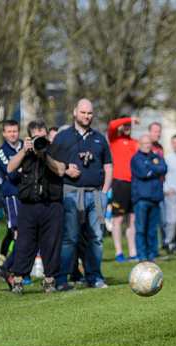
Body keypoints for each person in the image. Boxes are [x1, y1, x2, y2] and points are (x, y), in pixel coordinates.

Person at [53, 99, 113, 290]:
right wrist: (64, 170)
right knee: (70, 237)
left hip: (96, 194)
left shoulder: (99, 138)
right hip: (70, 193)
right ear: (75, 112)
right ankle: (62, 279)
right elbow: (50, 162)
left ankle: (95, 277)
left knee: (96, 237)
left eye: (89, 113)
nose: (87, 116)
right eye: (83, 112)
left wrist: (104, 193)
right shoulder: (62, 137)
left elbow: (108, 166)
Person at [7, 119, 68, 294]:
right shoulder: (25, 152)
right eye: (35, 138)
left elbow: (61, 170)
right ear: (29, 137)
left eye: (42, 137)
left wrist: (44, 154)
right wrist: (24, 150)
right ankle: (18, 280)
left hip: (52, 205)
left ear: (47, 135)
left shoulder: (56, 149)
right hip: (28, 205)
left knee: (51, 244)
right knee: (24, 243)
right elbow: (10, 168)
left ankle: (49, 281)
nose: (39, 141)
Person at [107, 115, 140, 262]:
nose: (127, 128)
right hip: (119, 183)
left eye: (129, 126)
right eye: (125, 125)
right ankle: (118, 252)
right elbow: (112, 124)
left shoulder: (136, 143)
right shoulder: (114, 139)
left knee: (131, 219)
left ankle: (133, 252)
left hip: (133, 184)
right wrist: (130, 119)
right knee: (118, 219)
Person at [131, 135, 167, 262]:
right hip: (141, 199)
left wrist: (150, 167)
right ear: (139, 144)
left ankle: (152, 254)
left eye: (148, 143)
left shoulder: (156, 157)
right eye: (144, 143)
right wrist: (154, 170)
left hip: (155, 198)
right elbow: (143, 173)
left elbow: (164, 169)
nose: (147, 146)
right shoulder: (135, 158)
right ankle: (142, 256)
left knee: (152, 229)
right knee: (141, 229)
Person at [0, 120, 23, 266]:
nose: (13, 134)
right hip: (12, 195)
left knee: (28, 231)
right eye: (9, 132)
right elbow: (11, 174)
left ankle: (18, 268)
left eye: (15, 131)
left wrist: (19, 170)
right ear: (4, 133)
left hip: (27, 193)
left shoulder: (26, 146)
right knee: (18, 232)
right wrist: (22, 171)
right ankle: (7, 267)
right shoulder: (1, 151)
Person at [149, 122, 167, 250]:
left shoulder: (160, 148)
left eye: (159, 131)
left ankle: (158, 248)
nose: (157, 134)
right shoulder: (146, 147)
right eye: (155, 131)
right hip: (149, 189)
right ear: (149, 132)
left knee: (162, 221)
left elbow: (163, 168)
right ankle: (150, 250)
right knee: (151, 223)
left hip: (160, 188)